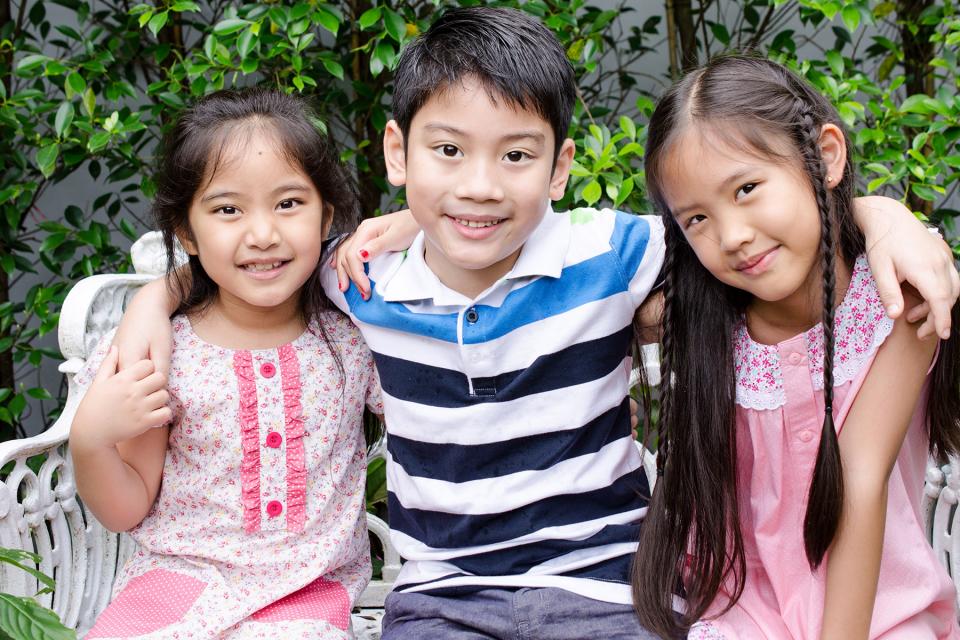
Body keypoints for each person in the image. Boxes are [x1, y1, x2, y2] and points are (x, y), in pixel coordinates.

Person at [113, 9, 958, 639]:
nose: (481, 185)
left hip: (606, 584)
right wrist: (157, 294)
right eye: (448, 153)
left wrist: (885, 217)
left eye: (514, 156)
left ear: (558, 169)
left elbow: (770, 230)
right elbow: (257, 262)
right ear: (398, 153)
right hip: (443, 595)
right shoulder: (360, 280)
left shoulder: (613, 254)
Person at [631, 55, 960, 639]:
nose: (732, 236)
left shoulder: (892, 303)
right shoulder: (707, 321)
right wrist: (412, 231)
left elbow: (859, 478)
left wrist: (883, 215)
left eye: (748, 188)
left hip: (880, 615)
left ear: (825, 157)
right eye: (698, 218)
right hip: (741, 612)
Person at [70, 88, 383, 639]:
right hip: (176, 584)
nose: (263, 234)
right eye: (227, 210)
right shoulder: (164, 350)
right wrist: (90, 440)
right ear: (186, 233)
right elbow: (126, 509)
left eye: (289, 203)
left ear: (326, 216)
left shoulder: (353, 336)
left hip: (305, 589)